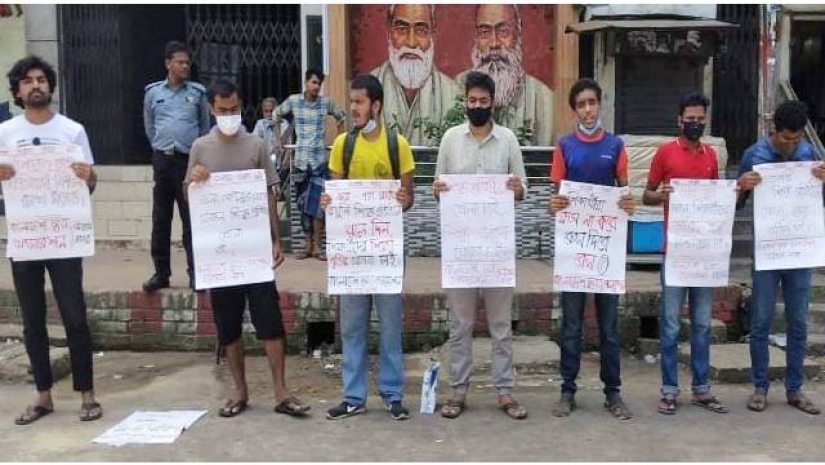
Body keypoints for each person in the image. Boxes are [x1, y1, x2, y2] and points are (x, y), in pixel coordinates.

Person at [185, 79, 309, 418]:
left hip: (254, 252)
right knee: (228, 327)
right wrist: (194, 180)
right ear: (211, 108)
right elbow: (189, 197)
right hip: (221, 255)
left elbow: (269, 193)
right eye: (223, 110)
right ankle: (240, 392)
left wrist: (275, 239)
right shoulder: (200, 148)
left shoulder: (255, 145)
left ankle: (281, 392)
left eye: (235, 109)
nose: (229, 115)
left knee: (270, 321)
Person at [0, 56, 101, 424]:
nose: (35, 85)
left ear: (51, 86)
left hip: (64, 239)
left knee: (75, 316)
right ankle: (43, 396)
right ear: (17, 90)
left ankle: (87, 395)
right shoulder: (5, 134)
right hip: (26, 239)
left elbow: (89, 185)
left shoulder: (72, 130)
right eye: (27, 81)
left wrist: (87, 177)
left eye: (41, 79)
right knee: (32, 321)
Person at [433, 71, 529, 420]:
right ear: (465, 103)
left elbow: (523, 188)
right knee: (459, 326)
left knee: (501, 326)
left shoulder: (507, 141)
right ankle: (458, 391)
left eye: (482, 101)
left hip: (497, 250)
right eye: (471, 101)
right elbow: (437, 187)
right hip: (460, 251)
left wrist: (517, 189)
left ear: (493, 103)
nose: (477, 106)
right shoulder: (449, 140)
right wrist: (439, 191)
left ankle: (505, 391)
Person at [321, 74, 415, 421]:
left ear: (375, 105)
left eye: (359, 102)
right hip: (352, 253)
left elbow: (408, 198)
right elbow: (334, 194)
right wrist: (329, 199)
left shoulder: (397, 145)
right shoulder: (343, 145)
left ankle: (392, 394)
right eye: (352, 102)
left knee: (390, 325)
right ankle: (353, 396)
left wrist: (404, 199)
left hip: (387, 251)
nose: (353, 109)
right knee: (352, 326)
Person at [547, 78, 636, 420]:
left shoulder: (615, 146)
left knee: (609, 328)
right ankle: (567, 390)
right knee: (571, 325)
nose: (587, 110)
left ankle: (612, 392)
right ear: (574, 110)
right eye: (581, 105)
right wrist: (554, 205)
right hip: (574, 252)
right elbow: (555, 200)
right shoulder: (564, 146)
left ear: (601, 105)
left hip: (605, 253)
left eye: (592, 103)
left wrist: (628, 204)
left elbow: (626, 194)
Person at [737, 100, 825, 415]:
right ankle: (760, 387)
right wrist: (740, 186)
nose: (791, 144)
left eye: (796, 138)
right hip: (766, 255)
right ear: (774, 130)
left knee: (798, 323)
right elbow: (734, 204)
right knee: (760, 322)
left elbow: (819, 205)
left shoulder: (810, 157)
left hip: (800, 254)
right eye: (786, 138)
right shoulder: (754, 155)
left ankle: (794, 388)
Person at [643, 91, 727, 415]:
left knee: (703, 324)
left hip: (703, 254)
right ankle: (669, 390)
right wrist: (660, 194)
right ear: (679, 120)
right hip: (675, 252)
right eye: (689, 119)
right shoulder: (665, 153)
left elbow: (715, 199)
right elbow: (646, 195)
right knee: (670, 324)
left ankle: (702, 389)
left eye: (699, 119)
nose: (694, 124)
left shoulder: (710, 156)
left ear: (705, 120)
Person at [142, 40, 210, 292]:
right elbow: (149, 126)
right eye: (180, 62)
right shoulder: (153, 93)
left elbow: (204, 128)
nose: (185, 66)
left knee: (191, 220)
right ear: (168, 63)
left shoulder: (197, 93)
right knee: (160, 219)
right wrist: (160, 148)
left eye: (187, 62)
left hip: (188, 162)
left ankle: (196, 274)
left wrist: (197, 158)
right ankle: (161, 274)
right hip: (162, 160)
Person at [456, 4, 555, 146]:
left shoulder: (543, 99)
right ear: (476, 37)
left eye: (503, 32)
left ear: (518, 34)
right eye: (484, 32)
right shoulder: (456, 87)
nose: (494, 43)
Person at [275, 69, 346, 261]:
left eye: (319, 84)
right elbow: (276, 114)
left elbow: (341, 117)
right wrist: (278, 140)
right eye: (313, 82)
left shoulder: (326, 103)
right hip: (300, 162)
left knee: (319, 207)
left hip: (318, 162)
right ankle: (307, 245)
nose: (316, 87)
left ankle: (317, 246)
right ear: (306, 82)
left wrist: (339, 142)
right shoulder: (294, 101)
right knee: (302, 206)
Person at [371, 4, 458, 146]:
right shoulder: (368, 90)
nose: (411, 43)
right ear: (388, 33)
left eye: (421, 31)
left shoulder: (453, 93)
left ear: (433, 35)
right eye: (401, 29)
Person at [252, 97, 290, 189]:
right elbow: (255, 143)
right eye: (266, 111)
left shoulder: (284, 124)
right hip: (266, 164)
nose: (269, 114)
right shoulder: (260, 124)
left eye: (271, 111)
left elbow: (289, 144)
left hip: (281, 164)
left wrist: (285, 161)